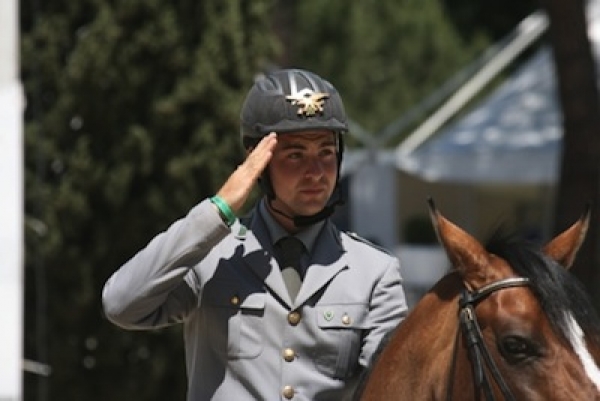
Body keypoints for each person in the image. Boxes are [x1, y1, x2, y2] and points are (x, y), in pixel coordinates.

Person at [102, 68, 408, 401]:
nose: (316, 172)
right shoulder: (211, 254)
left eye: (326, 153)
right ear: (257, 163)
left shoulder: (375, 273)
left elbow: (392, 388)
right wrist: (217, 211)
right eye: (295, 155)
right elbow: (121, 304)